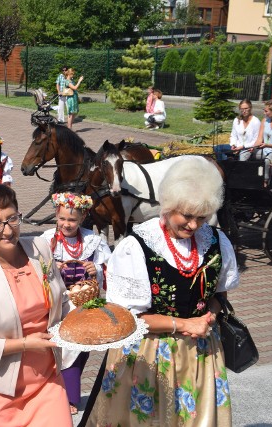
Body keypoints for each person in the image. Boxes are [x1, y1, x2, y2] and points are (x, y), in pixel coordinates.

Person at [80, 156, 239, 426]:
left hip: (199, 352)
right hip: (149, 355)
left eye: (201, 217)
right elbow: (130, 318)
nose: (193, 225)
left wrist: (208, 317)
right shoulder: (137, 246)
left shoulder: (216, 241)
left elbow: (217, 297)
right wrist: (185, 324)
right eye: (186, 216)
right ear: (168, 206)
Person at [0, 182, 72, 426]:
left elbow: (63, 303)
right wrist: (25, 344)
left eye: (12, 219)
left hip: (47, 382)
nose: (7, 231)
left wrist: (92, 318)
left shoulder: (39, 250)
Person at [39, 192, 112, 415]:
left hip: (85, 302)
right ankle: (69, 396)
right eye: (62, 219)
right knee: (67, 348)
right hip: (58, 304)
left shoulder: (93, 240)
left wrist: (96, 269)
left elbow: (111, 269)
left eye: (72, 220)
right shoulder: (46, 239)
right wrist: (52, 268)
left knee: (82, 349)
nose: (66, 224)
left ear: (82, 218)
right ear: (56, 216)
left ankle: (67, 390)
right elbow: (35, 269)